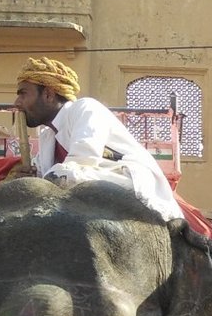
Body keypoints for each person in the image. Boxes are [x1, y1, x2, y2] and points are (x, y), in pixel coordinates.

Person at [13, 57, 183, 222]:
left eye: (23, 94)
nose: (17, 102)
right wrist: (29, 178)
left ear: (48, 95)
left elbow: (83, 161)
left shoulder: (85, 108)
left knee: (62, 175)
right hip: (85, 183)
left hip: (130, 181)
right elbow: (43, 176)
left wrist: (44, 181)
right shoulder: (46, 136)